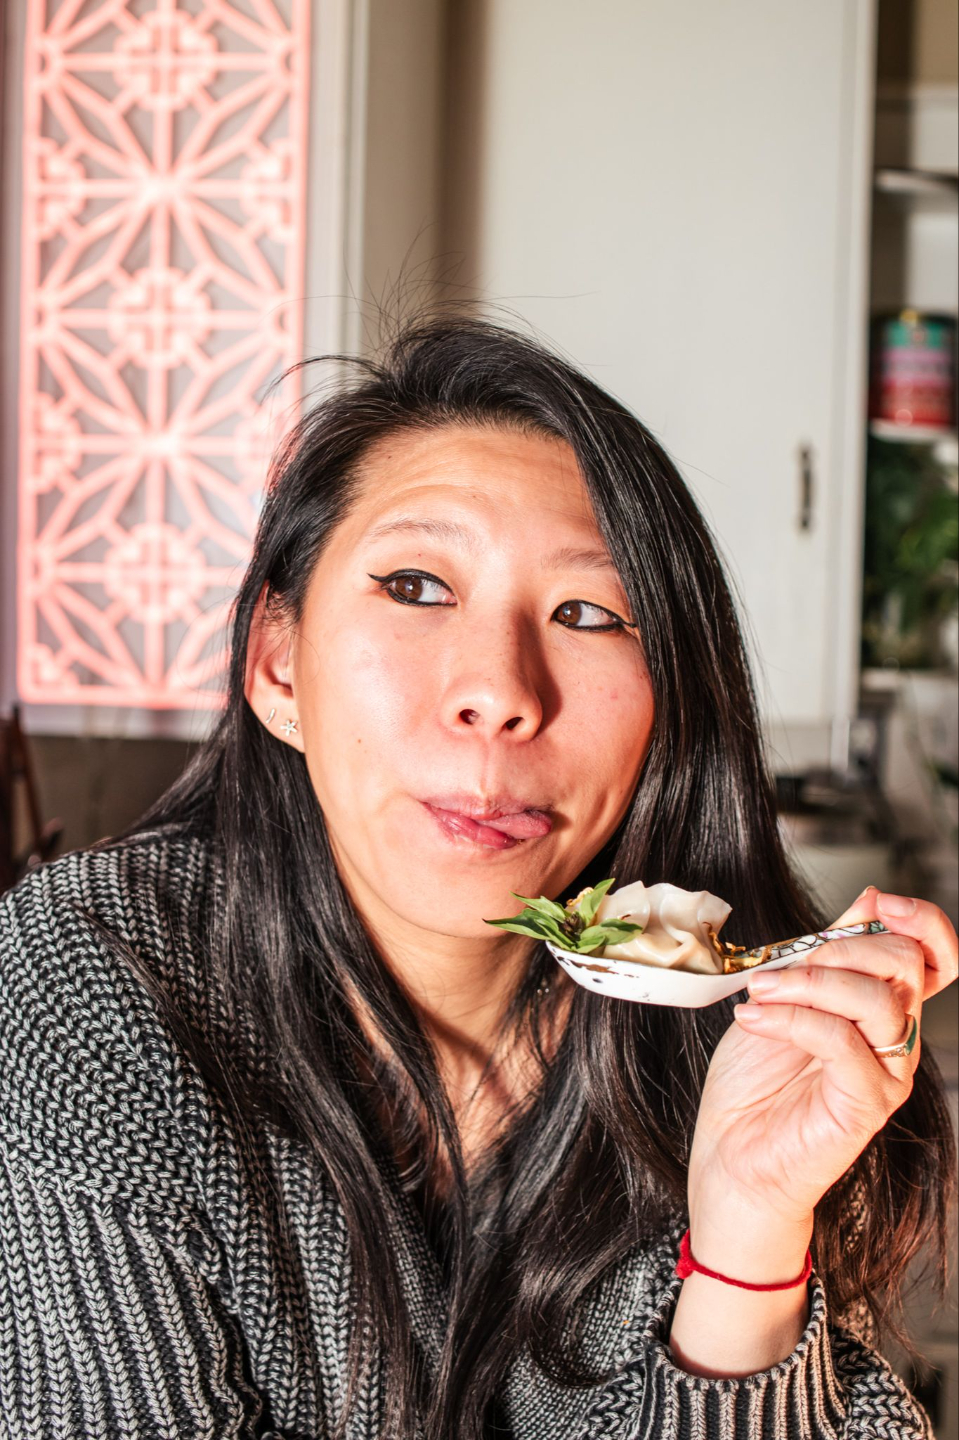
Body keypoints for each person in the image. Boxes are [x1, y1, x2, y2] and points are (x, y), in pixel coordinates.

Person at [1, 315, 955, 1440]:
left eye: (588, 613)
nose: (498, 689)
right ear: (276, 666)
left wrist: (743, 1246)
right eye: (414, 586)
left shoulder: (726, 1052)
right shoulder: (83, 986)